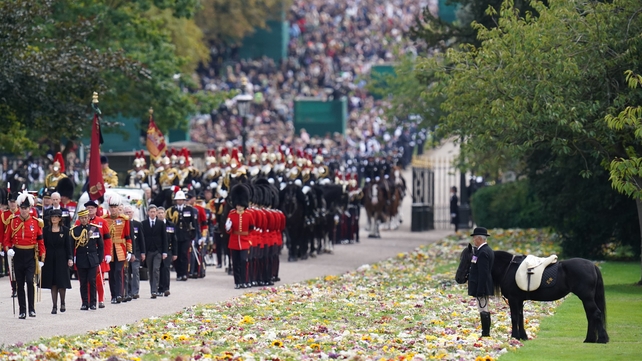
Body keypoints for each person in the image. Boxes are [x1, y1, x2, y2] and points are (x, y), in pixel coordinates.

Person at [3, 190, 45, 319]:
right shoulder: (12, 221)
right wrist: (8, 249)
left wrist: (42, 257)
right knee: (19, 283)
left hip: (30, 254)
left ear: (30, 208)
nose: (23, 211)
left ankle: (31, 309)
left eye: (26, 208)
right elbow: (6, 239)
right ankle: (22, 310)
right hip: (18, 254)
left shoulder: (35, 222)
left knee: (29, 281)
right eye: (21, 208)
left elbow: (40, 241)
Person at [80, 200, 112, 308]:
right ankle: (86, 301)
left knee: (98, 279)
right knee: (84, 280)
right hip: (84, 255)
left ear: (96, 209)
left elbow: (107, 239)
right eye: (88, 208)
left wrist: (107, 253)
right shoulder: (78, 223)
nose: (90, 210)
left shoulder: (102, 222)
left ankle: (101, 299)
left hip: (97, 254)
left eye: (92, 208)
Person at [41, 209, 73, 314]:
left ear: (60, 219)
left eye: (56, 217)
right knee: (53, 282)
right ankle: (54, 305)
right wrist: (41, 257)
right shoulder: (45, 230)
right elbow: (43, 244)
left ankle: (62, 302)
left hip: (61, 258)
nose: (54, 218)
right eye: (52, 217)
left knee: (61, 281)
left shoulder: (65, 230)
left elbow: (68, 246)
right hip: (49, 258)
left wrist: (70, 258)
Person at [71, 209, 104, 310]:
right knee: (83, 282)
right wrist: (72, 258)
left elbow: (101, 245)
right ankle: (85, 303)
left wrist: (99, 258)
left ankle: (93, 303)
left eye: (85, 218)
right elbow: (71, 246)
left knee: (92, 281)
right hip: (81, 259)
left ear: (88, 218)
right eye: (82, 218)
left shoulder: (94, 229)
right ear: (79, 219)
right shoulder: (75, 230)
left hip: (93, 259)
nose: (84, 220)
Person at [165, 190, 198, 281]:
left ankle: (184, 273)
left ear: (184, 200)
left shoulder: (189, 209)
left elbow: (194, 223)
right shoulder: (171, 210)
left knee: (184, 254)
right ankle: (178, 273)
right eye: (178, 200)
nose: (179, 201)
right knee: (176, 254)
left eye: (181, 200)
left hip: (185, 234)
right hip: (175, 235)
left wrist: (194, 234)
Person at [104, 195, 132, 304]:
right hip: (109, 250)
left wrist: (129, 251)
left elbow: (128, 236)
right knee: (111, 273)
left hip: (120, 249)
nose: (113, 209)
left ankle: (120, 294)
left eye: (115, 207)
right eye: (111, 207)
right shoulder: (105, 219)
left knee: (118, 271)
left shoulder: (124, 219)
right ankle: (113, 295)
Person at [226, 184, 254, 289]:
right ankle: (237, 282)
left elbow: (251, 229)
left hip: (245, 241)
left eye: (241, 205)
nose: (239, 206)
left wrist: (249, 240)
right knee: (236, 263)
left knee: (244, 261)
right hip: (234, 241)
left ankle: (244, 280)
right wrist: (228, 227)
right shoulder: (231, 214)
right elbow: (229, 231)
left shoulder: (249, 215)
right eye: (237, 205)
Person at [468, 227, 495, 338]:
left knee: (483, 309)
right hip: (482, 285)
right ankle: (485, 332)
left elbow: (483, 273)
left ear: (479, 239)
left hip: (482, 286)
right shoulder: (484, 250)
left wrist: (480, 290)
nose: (474, 240)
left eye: (474, 238)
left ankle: (485, 333)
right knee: (483, 308)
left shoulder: (483, 252)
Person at [142, 205, 167, 298]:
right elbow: (142, 238)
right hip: (148, 251)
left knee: (156, 269)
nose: (152, 213)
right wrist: (143, 251)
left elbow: (165, 238)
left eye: (154, 212)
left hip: (158, 250)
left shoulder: (161, 224)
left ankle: (154, 290)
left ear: (156, 213)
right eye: (151, 212)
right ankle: (152, 288)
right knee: (150, 271)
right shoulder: (143, 224)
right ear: (148, 213)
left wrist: (164, 252)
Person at [124, 205, 145, 300]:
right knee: (126, 272)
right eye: (126, 212)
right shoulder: (122, 224)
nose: (128, 214)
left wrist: (143, 252)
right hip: (125, 253)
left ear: (133, 213)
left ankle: (135, 291)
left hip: (136, 252)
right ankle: (127, 291)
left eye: (129, 212)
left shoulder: (138, 224)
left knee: (135, 271)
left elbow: (141, 239)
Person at [156, 207, 177, 296]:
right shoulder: (155, 224)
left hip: (168, 250)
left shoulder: (170, 225)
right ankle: (159, 288)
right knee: (159, 269)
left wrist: (175, 253)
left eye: (162, 213)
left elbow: (174, 239)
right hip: (158, 250)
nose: (161, 214)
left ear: (165, 214)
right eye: (159, 213)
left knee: (166, 268)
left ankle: (166, 288)